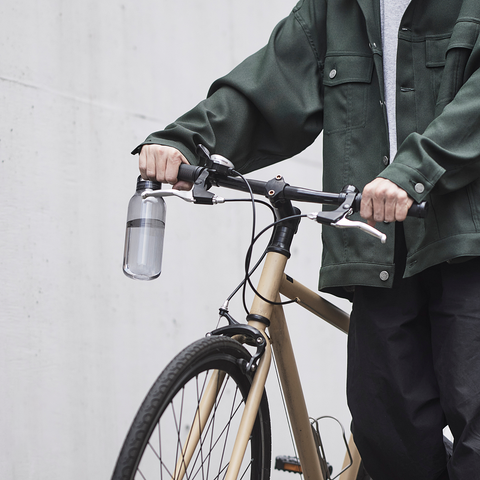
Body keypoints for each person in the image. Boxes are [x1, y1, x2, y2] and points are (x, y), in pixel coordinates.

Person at [133, 0, 480, 478]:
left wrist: (412, 172)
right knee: (388, 438)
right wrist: (186, 141)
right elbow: (268, 88)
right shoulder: (335, 9)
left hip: (467, 245)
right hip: (378, 251)